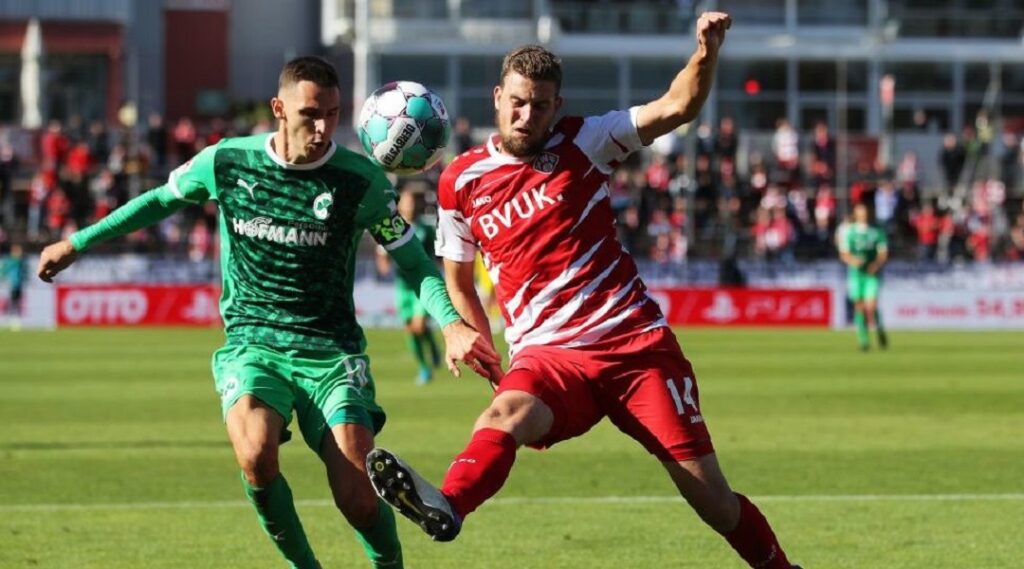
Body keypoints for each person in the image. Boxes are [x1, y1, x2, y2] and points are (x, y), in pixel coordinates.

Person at [366, 14, 800, 569]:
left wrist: (705, 54)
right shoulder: (460, 182)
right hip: (548, 358)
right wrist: (473, 339)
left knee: (712, 500)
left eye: (540, 105)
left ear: (558, 105)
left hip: (635, 350)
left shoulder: (587, 140)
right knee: (502, 417)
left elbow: (677, 106)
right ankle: (447, 505)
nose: (527, 116)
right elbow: (458, 274)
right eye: (517, 102)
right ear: (498, 97)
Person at [36, 56, 499, 569]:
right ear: (279, 109)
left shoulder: (360, 181)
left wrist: (451, 323)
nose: (322, 128)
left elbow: (413, 262)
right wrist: (77, 243)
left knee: (359, 500)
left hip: (330, 353)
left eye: (332, 114)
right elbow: (159, 201)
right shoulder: (226, 161)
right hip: (253, 344)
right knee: (256, 453)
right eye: (310, 114)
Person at [375, 189, 442, 385]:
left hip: (422, 284)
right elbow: (382, 252)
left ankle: (431, 353)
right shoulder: (393, 226)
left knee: (419, 325)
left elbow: (436, 252)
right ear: (400, 205)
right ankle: (424, 366)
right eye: (406, 202)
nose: (410, 206)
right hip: (402, 286)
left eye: (412, 202)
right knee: (411, 329)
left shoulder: (425, 228)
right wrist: (384, 265)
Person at [839, 203, 889, 351]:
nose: (863, 215)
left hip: (871, 274)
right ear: (856, 214)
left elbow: (883, 253)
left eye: (865, 212)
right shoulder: (849, 231)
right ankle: (864, 340)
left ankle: (879, 329)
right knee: (859, 307)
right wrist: (853, 260)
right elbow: (844, 253)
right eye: (860, 212)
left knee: (871, 306)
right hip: (856, 274)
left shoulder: (877, 231)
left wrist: (876, 264)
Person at [2, 243, 25, 324]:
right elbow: (4, 270)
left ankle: (15, 316)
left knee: (17, 301)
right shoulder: (12, 261)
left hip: (19, 284)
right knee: (13, 300)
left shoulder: (21, 261)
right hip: (12, 284)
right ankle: (11, 317)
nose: (20, 252)